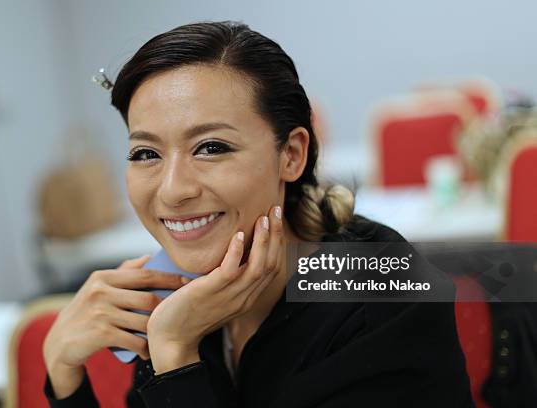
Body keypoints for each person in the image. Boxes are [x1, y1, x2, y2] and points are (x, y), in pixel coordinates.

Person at [43, 21, 473, 407]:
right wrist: (65, 377)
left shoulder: (386, 298)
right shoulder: (182, 288)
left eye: (211, 147)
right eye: (145, 153)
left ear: (291, 154)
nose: (173, 190)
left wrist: (175, 355)